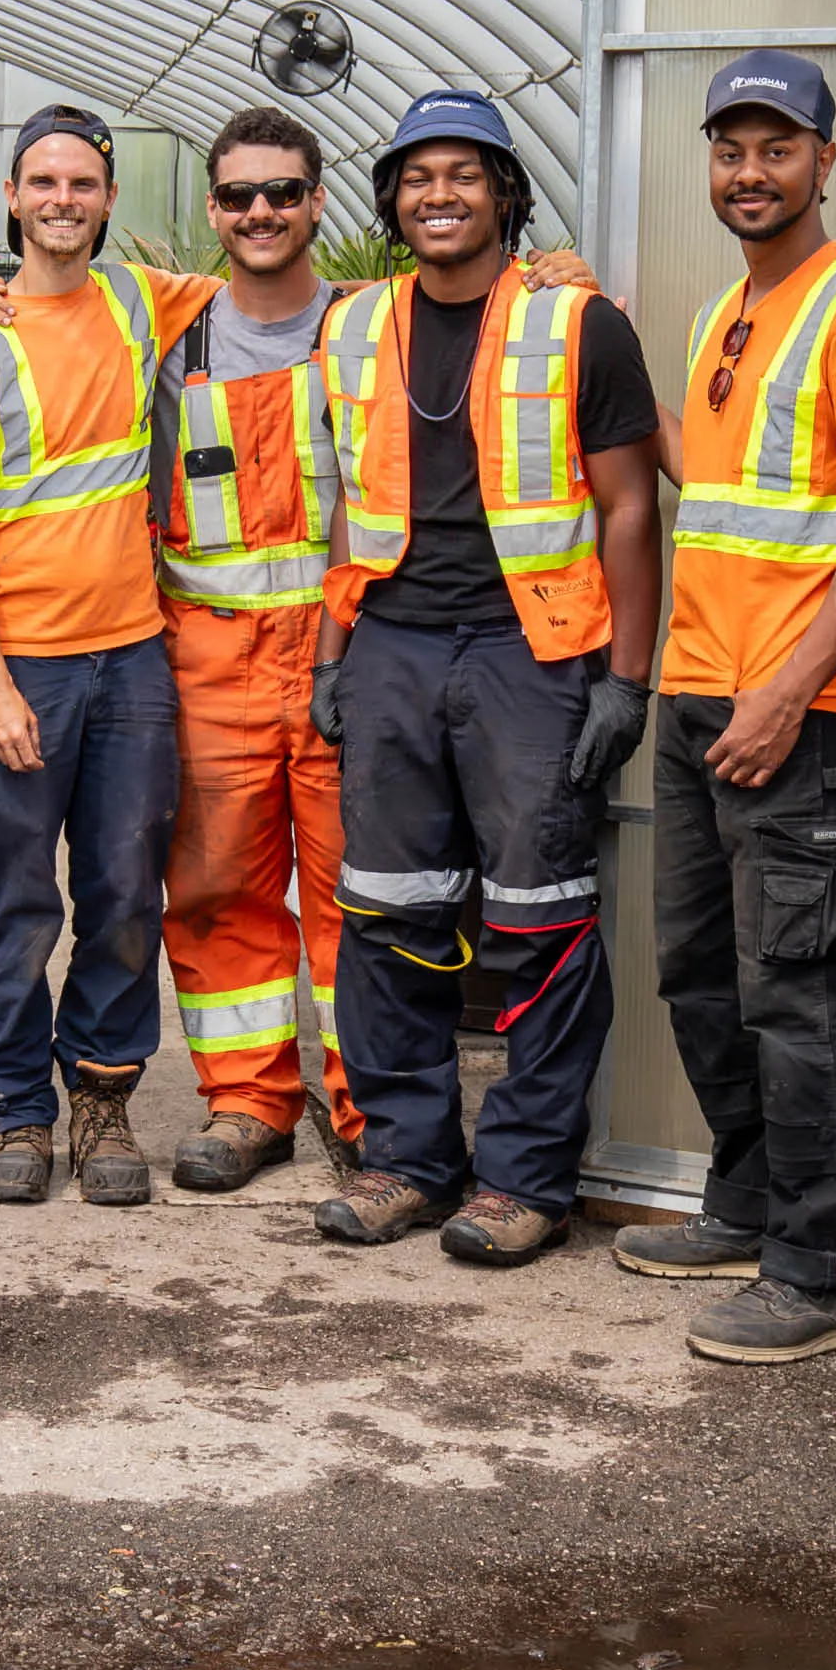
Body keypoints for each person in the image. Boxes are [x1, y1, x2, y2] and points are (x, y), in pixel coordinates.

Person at [311, 86, 663, 1264]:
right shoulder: (354, 327)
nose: (438, 195)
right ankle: (407, 1159)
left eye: (463, 174)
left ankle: (525, 1178)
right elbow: (339, 508)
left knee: (541, 920)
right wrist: (332, 657)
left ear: (505, 194)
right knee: (388, 912)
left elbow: (628, 508)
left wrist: (627, 675)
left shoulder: (580, 326)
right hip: (393, 647)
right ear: (391, 201)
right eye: (416, 177)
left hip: (530, 652)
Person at [627, 52, 836, 1365]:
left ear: (824, 159)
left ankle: (820, 1272)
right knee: (704, 973)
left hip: (791, 713)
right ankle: (750, 1204)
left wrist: (795, 686)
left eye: (775, 148)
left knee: (803, 992)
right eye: (729, 149)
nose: (748, 172)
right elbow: (714, 483)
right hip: (700, 691)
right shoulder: (727, 313)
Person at [0, 105, 215, 1209]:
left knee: (127, 891)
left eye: (81, 184)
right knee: (11, 899)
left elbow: (291, 296)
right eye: (43, 182)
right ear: (11, 197)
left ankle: (101, 1098)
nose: (62, 200)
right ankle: (12, 1109)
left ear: (108, 200)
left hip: (129, 660)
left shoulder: (140, 300)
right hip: (23, 664)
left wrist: (537, 269)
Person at [153, 107, 368, 1193]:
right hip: (213, 668)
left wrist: (560, 268)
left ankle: (364, 1105)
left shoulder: (375, 325)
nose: (261, 213)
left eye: (282, 192)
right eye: (239, 196)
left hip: (347, 663)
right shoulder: (173, 335)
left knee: (358, 894)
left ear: (318, 199)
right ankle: (245, 1104)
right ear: (211, 210)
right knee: (215, 890)